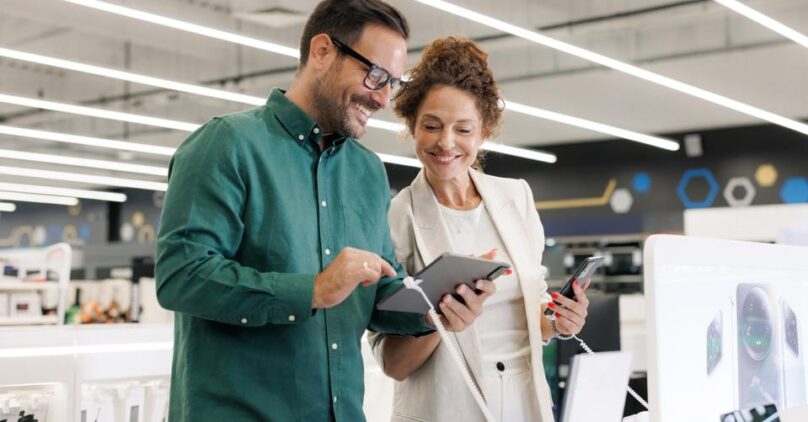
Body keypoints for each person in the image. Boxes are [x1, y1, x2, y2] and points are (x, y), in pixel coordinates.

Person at [154, 2, 494, 420]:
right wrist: (313, 290)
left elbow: (378, 297)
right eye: (375, 75)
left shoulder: (366, 172)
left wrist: (437, 307)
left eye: (392, 83)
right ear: (322, 51)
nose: (384, 98)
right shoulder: (226, 145)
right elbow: (181, 277)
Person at [368, 37, 592, 422]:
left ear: (484, 132)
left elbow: (534, 315)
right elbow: (392, 363)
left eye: (463, 129)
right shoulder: (395, 217)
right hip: (445, 411)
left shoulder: (516, 197)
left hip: (525, 405)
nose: (446, 142)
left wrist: (558, 319)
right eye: (431, 126)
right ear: (412, 126)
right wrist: (439, 320)